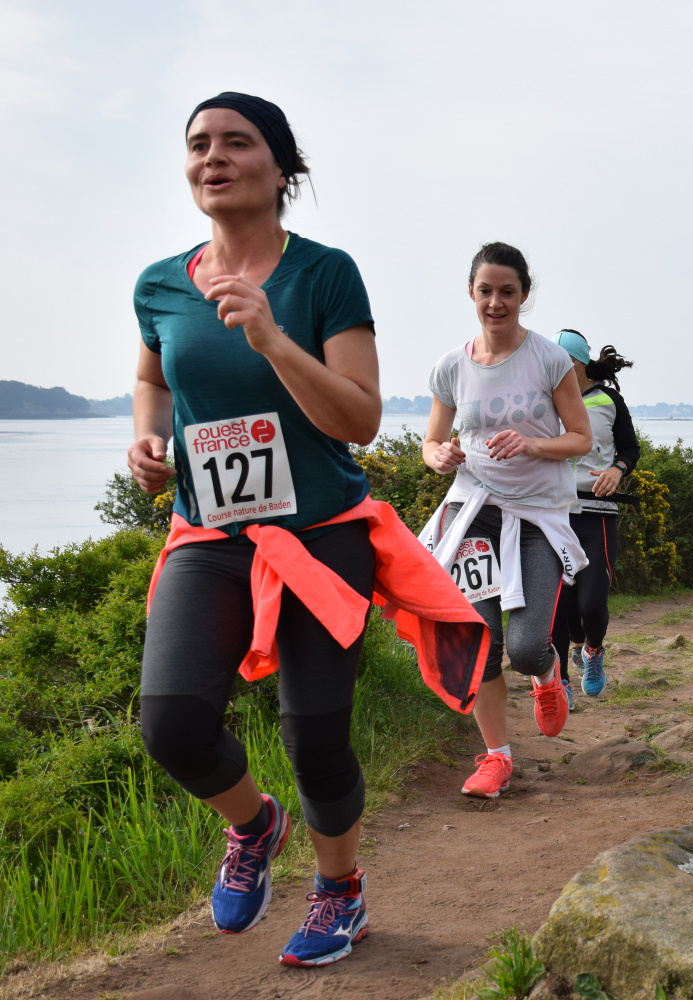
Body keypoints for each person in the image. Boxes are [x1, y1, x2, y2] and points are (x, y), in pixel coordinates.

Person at [131, 93, 489, 968]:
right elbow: (154, 380)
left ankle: (340, 892)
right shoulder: (159, 283)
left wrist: (272, 338)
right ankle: (255, 825)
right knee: (170, 724)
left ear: (282, 166)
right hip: (209, 536)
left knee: (315, 734)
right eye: (198, 144)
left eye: (236, 142)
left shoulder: (325, 274)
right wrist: (146, 437)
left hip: (321, 534)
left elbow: (359, 419)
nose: (212, 157)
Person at [421, 243, 592, 800]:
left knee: (524, 647)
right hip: (473, 512)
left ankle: (546, 673)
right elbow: (431, 441)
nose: (496, 302)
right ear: (471, 293)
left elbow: (580, 438)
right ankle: (497, 758)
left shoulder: (549, 359)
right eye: (486, 291)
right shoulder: (451, 366)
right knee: (479, 642)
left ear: (524, 295)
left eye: (507, 292)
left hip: (537, 516)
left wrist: (532, 444)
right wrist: (440, 455)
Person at [549, 330, 640, 699]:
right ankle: (560, 684)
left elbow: (630, 448)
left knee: (591, 604)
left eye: (563, 363)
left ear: (580, 362)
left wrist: (617, 470)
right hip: (552, 516)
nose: (554, 369)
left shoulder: (609, 400)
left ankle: (592, 649)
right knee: (558, 607)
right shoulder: (543, 400)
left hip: (597, 514)